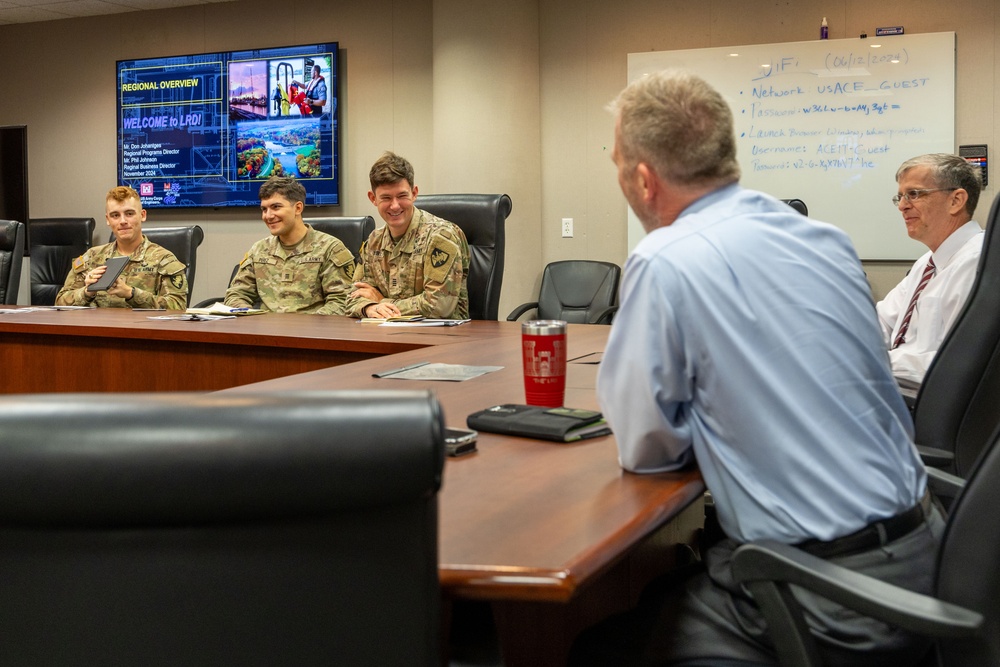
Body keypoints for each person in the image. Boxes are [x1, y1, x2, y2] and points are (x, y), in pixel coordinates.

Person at [569, 70, 939, 666]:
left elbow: (644, 448)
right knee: (668, 588)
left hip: (829, 595)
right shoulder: (826, 240)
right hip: (928, 553)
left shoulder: (666, 259)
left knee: (596, 647)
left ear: (642, 178)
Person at [876, 153, 983, 383]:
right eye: (900, 197)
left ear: (956, 200)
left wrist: (872, 362)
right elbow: (882, 322)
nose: (903, 206)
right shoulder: (926, 263)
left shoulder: (977, 262)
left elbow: (959, 362)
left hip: (926, 405)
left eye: (914, 194)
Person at [347, 152, 470, 319]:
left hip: (441, 338)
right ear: (373, 198)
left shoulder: (440, 237)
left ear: (414, 193)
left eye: (402, 196)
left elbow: (439, 306)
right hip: (385, 336)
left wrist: (382, 301)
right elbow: (353, 296)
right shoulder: (374, 241)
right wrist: (368, 307)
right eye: (386, 198)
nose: (395, 205)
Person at [224, 176, 355, 314]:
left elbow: (342, 301)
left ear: (298, 208)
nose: (268, 216)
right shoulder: (259, 249)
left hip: (312, 331)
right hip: (264, 330)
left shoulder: (330, 249)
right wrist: (251, 318)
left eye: (276, 207)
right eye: (264, 209)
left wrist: (305, 328)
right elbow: (236, 294)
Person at [55, 186, 188, 309]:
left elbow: (178, 307)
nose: (123, 221)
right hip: (98, 330)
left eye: (129, 213)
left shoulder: (164, 260)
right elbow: (60, 302)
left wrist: (131, 293)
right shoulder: (91, 257)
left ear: (142, 215)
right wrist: (87, 292)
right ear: (108, 220)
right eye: (115, 215)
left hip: (142, 332)